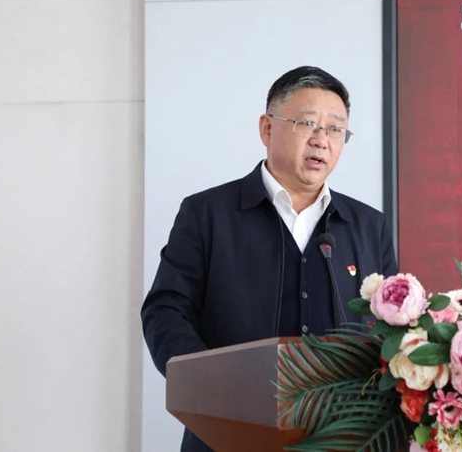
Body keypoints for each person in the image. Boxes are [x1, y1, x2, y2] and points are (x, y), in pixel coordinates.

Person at [141, 65, 398, 452]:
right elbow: (166, 310)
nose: (322, 140)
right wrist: (207, 385)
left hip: (344, 437)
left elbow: (392, 329)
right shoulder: (207, 214)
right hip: (228, 432)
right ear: (267, 129)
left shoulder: (368, 226)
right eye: (308, 123)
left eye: (335, 129)